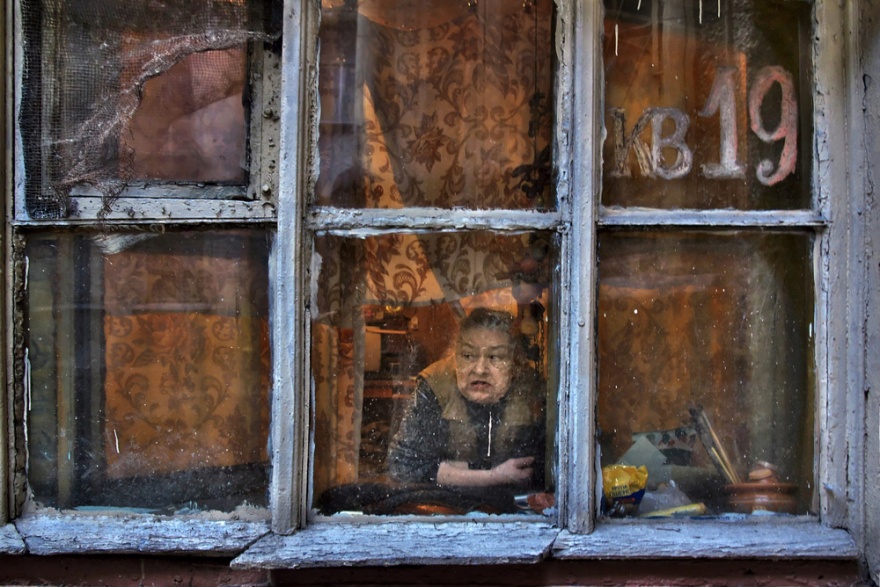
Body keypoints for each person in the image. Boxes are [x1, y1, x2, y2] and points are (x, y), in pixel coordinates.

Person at [387, 308, 545, 490]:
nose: (480, 369)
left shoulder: (530, 387)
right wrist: (494, 476)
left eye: (495, 357)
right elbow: (403, 464)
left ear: (514, 363)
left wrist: (455, 468)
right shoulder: (435, 384)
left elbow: (546, 466)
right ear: (455, 357)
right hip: (446, 503)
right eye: (468, 355)